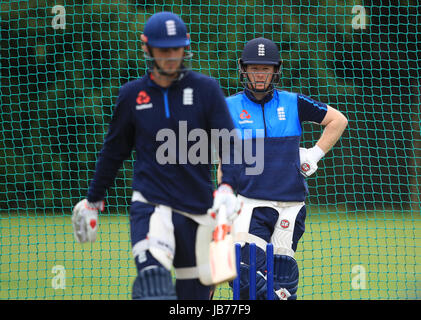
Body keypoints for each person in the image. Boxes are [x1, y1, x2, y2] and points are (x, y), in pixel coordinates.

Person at [71, 11, 241, 300]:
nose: (171, 56)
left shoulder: (206, 90)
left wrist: (228, 186)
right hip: (152, 207)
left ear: (185, 48)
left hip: (199, 212)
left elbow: (230, 145)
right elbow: (114, 152)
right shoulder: (131, 95)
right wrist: (93, 199)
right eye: (164, 49)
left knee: (194, 299)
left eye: (177, 49)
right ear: (146, 48)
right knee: (154, 288)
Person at [222, 37, 348, 300]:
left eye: (265, 69)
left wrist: (315, 153)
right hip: (250, 204)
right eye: (254, 68)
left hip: (291, 206)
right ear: (243, 69)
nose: (259, 74)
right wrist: (223, 195)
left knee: (282, 282)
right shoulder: (229, 107)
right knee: (244, 277)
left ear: (275, 71)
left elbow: (338, 120)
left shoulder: (293, 102)